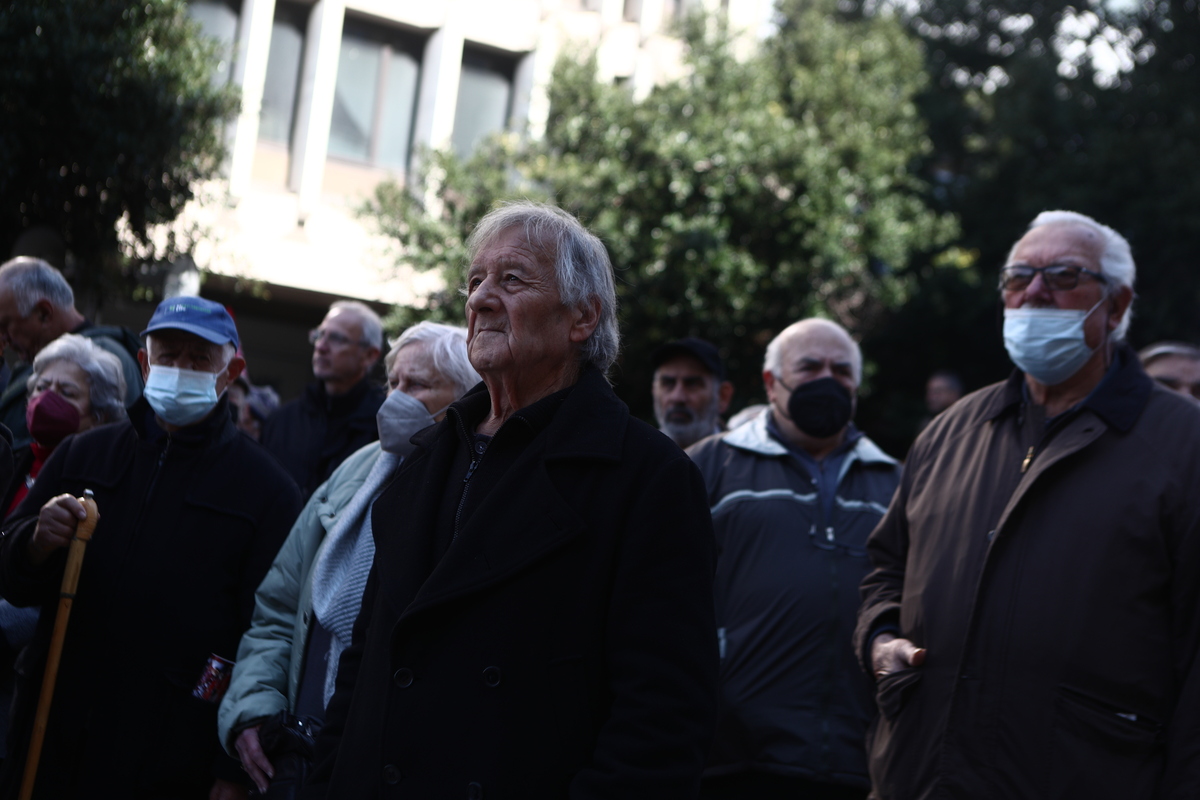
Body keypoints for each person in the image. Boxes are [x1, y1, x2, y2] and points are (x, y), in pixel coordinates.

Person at [301, 202, 719, 799]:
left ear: (582, 317)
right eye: (475, 281)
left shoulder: (647, 478)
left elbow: (661, 721)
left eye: (512, 279)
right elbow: (362, 671)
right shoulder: (422, 461)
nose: (479, 299)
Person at [855, 210, 1200, 798]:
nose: (1035, 291)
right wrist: (880, 640)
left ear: (1116, 307)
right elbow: (886, 568)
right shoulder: (951, 433)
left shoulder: (1182, 446)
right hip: (923, 777)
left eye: (1064, 276)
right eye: (1019, 277)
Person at [0, 296, 302, 800]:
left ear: (231, 373)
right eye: (168, 355)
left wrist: (228, 764)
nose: (180, 369)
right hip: (50, 727)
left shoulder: (267, 491)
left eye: (199, 359)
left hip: (167, 751)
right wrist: (35, 542)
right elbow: (11, 572)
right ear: (144, 363)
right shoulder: (84, 453)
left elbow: (265, 633)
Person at [218, 321, 481, 794]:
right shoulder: (354, 472)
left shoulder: (476, 492)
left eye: (417, 385)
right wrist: (253, 707)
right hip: (297, 756)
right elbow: (279, 609)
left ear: (468, 396)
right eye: (393, 383)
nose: (396, 398)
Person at [688, 318, 901, 800]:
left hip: (858, 762)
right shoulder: (707, 466)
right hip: (729, 758)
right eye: (810, 367)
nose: (827, 379)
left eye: (841, 371)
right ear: (771, 383)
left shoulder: (897, 484)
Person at [0, 257, 142, 448]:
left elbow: (112, 449)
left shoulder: (102, 358)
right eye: (41, 387)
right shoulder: (37, 361)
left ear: (44, 313)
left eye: (5, 325)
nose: (3, 338)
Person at [262, 301, 385, 499]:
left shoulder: (383, 427)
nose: (320, 346)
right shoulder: (282, 420)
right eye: (319, 335)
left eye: (336, 338)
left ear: (370, 355)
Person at [3, 334, 128, 514]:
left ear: (99, 416)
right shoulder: (11, 463)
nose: (46, 398)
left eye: (67, 393)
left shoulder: (104, 481)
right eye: (41, 387)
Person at [651, 337, 734, 448]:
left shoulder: (744, 457)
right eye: (668, 383)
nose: (677, 397)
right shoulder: (634, 453)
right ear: (654, 391)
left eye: (692, 384)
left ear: (723, 396)